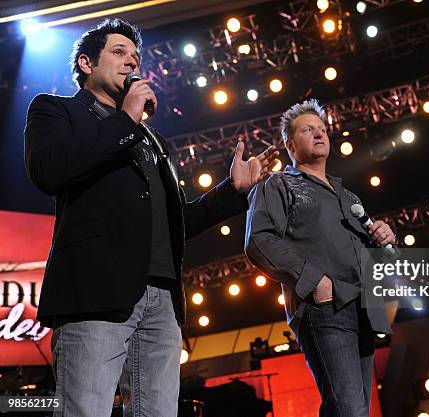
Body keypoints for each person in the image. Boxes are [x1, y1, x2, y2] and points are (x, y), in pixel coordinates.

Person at [24, 18, 278, 417]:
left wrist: (233, 193)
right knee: (85, 410)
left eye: (136, 57)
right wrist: (125, 120)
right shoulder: (56, 110)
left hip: (162, 298)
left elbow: (177, 221)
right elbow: (49, 170)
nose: (131, 63)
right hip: (96, 291)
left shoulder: (151, 140)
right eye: (119, 53)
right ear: (87, 64)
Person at [245, 99, 394, 417]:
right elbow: (258, 241)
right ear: (289, 144)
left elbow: (365, 259)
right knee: (349, 410)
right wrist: (315, 282)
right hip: (325, 310)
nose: (318, 134)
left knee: (352, 411)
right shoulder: (278, 185)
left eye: (323, 129)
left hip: (362, 309)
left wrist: (382, 241)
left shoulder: (349, 197)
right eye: (307, 130)